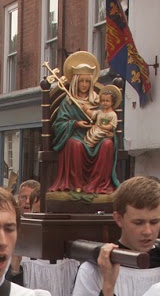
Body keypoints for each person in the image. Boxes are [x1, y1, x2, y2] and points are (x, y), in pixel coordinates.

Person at [49, 53, 118, 194]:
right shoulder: (68, 102)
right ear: (75, 82)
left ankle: (98, 185)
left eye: (88, 81)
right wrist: (75, 124)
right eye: (82, 81)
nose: (85, 85)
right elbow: (58, 125)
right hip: (76, 135)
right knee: (75, 145)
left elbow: (108, 118)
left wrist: (107, 130)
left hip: (97, 137)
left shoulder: (99, 100)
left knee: (108, 144)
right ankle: (76, 185)